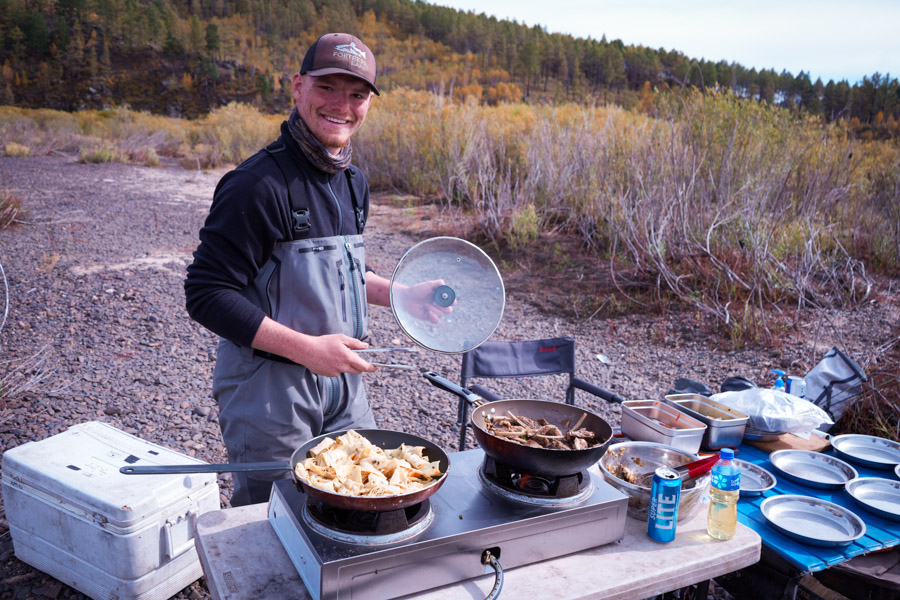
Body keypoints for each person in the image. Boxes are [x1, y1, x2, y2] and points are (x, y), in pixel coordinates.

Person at [185, 32, 448, 506]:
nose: (342, 105)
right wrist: (306, 350)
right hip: (269, 389)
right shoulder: (256, 185)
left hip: (343, 382)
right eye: (328, 88)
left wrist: (400, 295)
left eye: (357, 94)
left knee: (363, 497)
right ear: (298, 87)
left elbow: (341, 275)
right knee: (276, 517)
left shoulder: (352, 182)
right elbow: (206, 294)